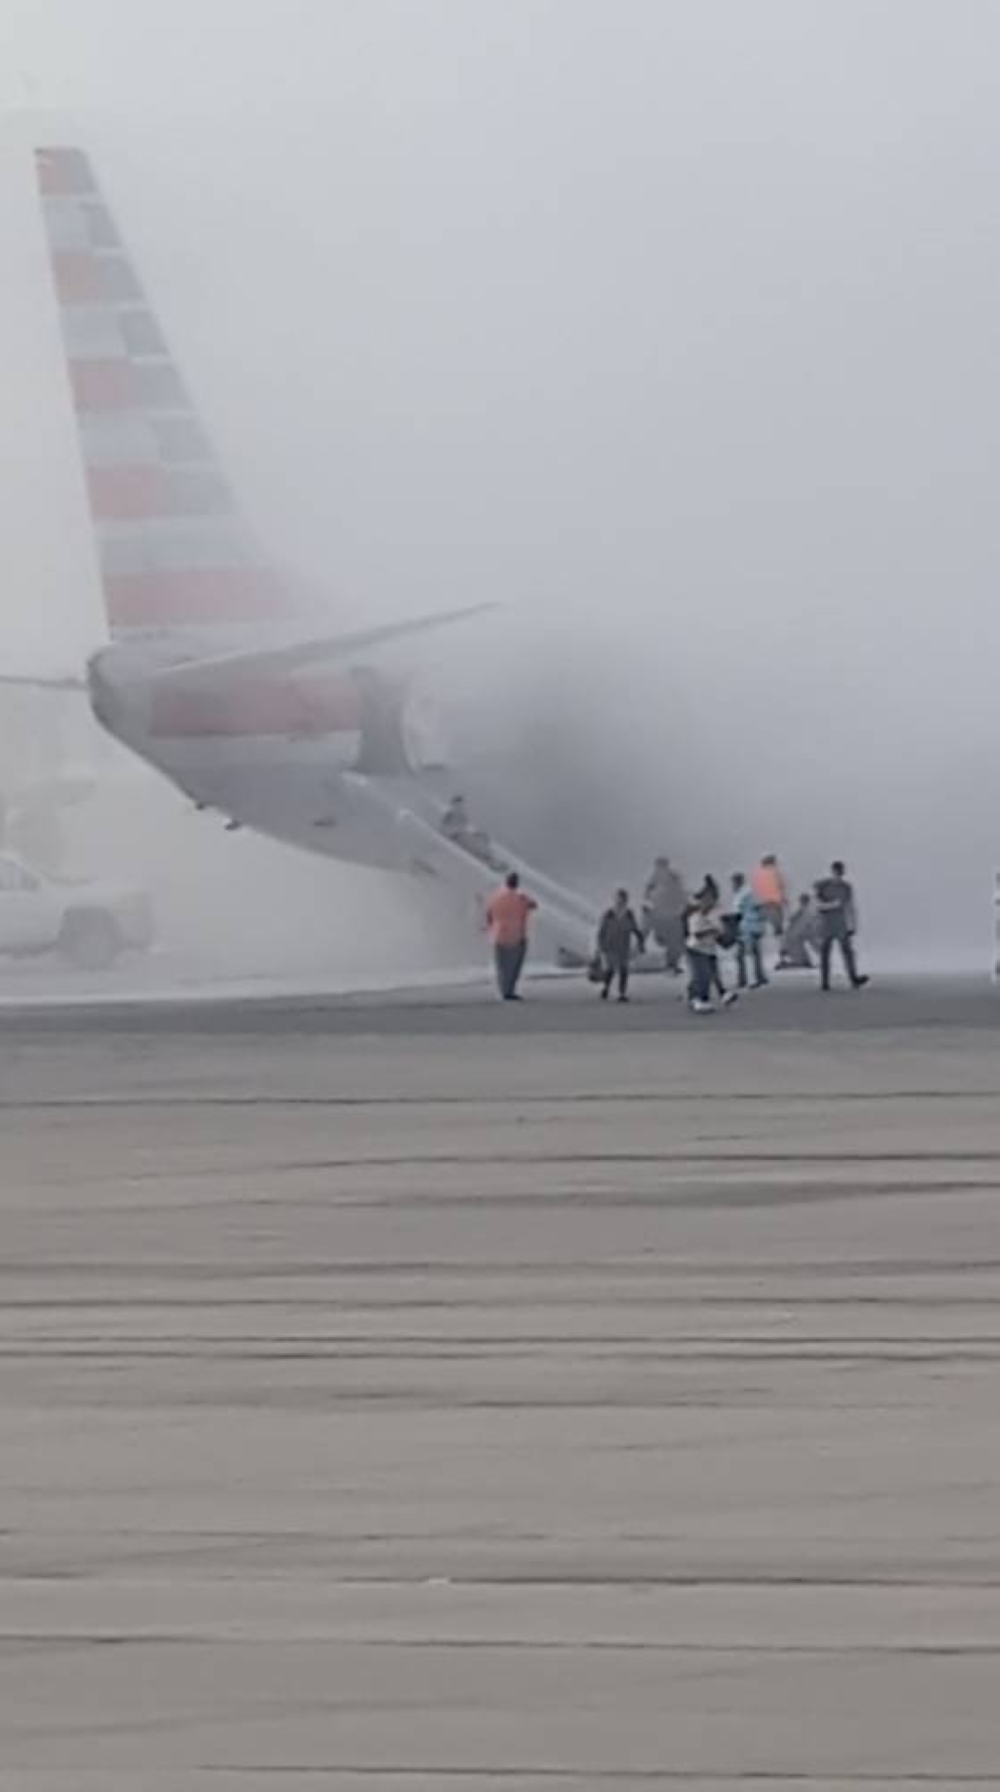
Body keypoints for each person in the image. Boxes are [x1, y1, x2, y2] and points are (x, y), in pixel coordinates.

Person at [814, 860, 869, 991]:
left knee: (847, 952)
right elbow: (816, 905)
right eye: (836, 872)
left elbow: (850, 906)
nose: (838, 875)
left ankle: (853, 979)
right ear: (832, 871)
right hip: (826, 923)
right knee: (825, 953)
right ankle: (825, 981)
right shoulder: (822, 885)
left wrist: (852, 925)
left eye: (840, 872)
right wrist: (832, 905)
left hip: (841, 924)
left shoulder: (846, 887)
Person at [485, 871, 538, 1001]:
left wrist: (491, 927)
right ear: (516, 883)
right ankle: (509, 990)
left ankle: (504, 990)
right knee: (513, 966)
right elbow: (534, 905)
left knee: (502, 966)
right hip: (517, 936)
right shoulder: (521, 898)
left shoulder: (496, 897)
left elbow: (489, 914)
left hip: (499, 935)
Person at [686, 887, 738, 1013]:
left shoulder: (713, 917)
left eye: (711, 900)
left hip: (710, 949)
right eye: (706, 900)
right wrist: (712, 931)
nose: (709, 903)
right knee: (702, 975)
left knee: (713, 974)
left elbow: (720, 935)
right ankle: (699, 999)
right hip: (696, 950)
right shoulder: (695, 917)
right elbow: (697, 935)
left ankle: (719, 994)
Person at [597, 888, 645, 1002]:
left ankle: (621, 993)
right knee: (610, 969)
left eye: (623, 899)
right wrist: (600, 946)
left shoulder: (629, 914)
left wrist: (641, 942)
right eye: (618, 899)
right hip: (609, 946)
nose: (620, 901)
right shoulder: (608, 914)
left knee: (624, 970)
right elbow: (601, 931)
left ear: (626, 900)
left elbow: (635, 929)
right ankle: (606, 987)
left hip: (623, 946)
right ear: (615, 900)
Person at [642, 856, 688, 973]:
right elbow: (682, 892)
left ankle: (672, 963)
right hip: (670, 914)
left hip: (664, 913)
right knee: (674, 941)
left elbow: (648, 891)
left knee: (672, 941)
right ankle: (672, 963)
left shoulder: (659, 875)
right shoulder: (672, 875)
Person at [730, 871, 767, 989]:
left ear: (737, 882)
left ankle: (747, 979)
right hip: (751, 926)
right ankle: (758, 977)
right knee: (753, 954)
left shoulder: (744, 894)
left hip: (747, 927)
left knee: (744, 954)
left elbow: (751, 910)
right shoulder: (747, 892)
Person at [777, 892, 817, 970]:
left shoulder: (805, 911)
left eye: (802, 901)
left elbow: (792, 919)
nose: (801, 902)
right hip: (797, 935)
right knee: (795, 945)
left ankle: (801, 961)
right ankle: (802, 960)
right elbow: (792, 919)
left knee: (794, 944)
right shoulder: (805, 910)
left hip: (797, 934)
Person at [751, 853, 788, 937]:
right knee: (777, 924)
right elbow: (781, 886)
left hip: (762, 904)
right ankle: (778, 933)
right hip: (773, 903)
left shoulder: (758, 873)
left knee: (769, 926)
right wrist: (783, 898)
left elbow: (755, 889)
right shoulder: (774, 872)